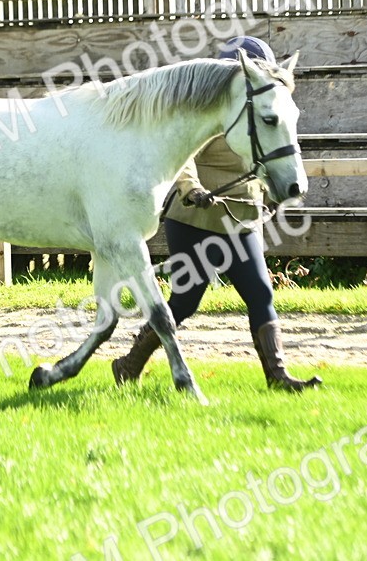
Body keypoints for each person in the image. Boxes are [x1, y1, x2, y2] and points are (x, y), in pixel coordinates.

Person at [111, 36, 322, 392]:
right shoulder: (205, 109)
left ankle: (278, 376)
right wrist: (190, 188)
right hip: (195, 219)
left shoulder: (262, 110)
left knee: (260, 293)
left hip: (242, 218)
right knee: (185, 301)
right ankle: (130, 364)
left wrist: (274, 189)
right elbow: (182, 156)